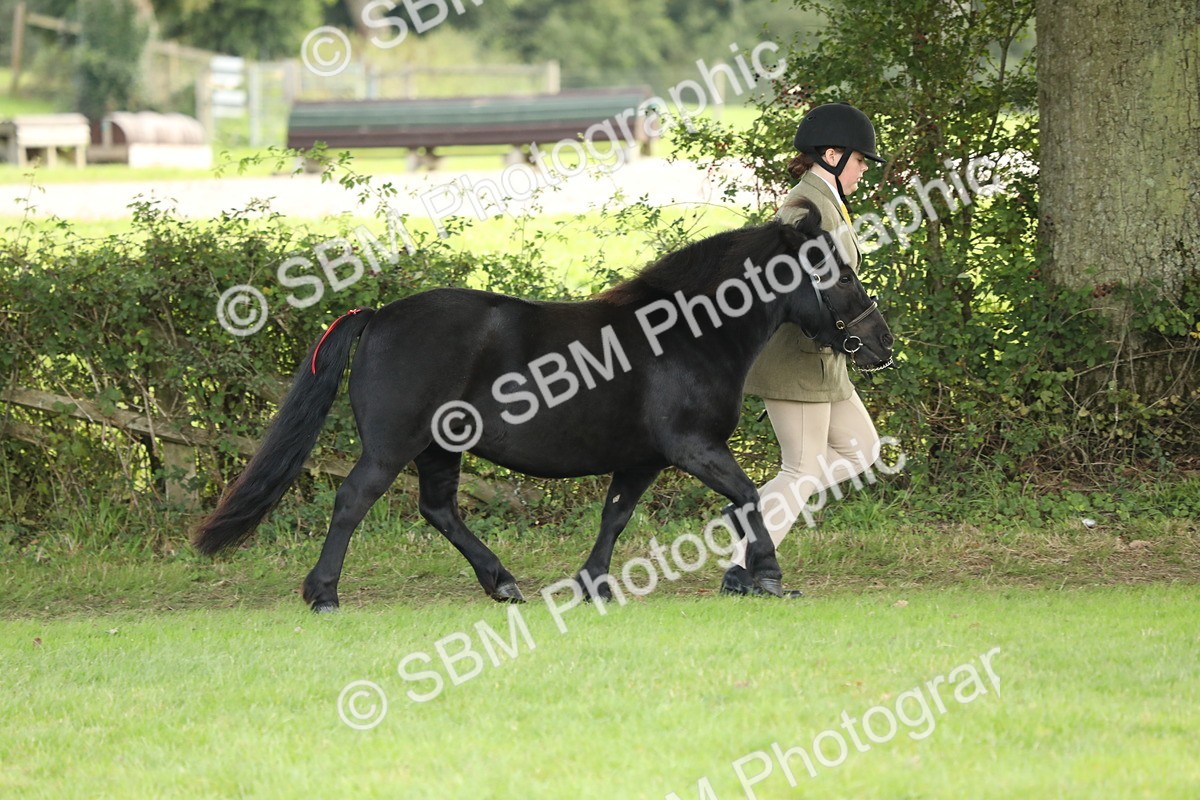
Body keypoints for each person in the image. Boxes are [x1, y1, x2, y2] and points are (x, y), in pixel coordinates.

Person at [721, 102, 887, 596]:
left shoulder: (826, 201)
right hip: (795, 359)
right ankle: (746, 569)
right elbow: (786, 289)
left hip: (824, 359)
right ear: (832, 154)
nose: (862, 170)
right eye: (859, 160)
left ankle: (755, 514)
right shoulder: (802, 207)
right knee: (802, 468)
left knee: (862, 450)